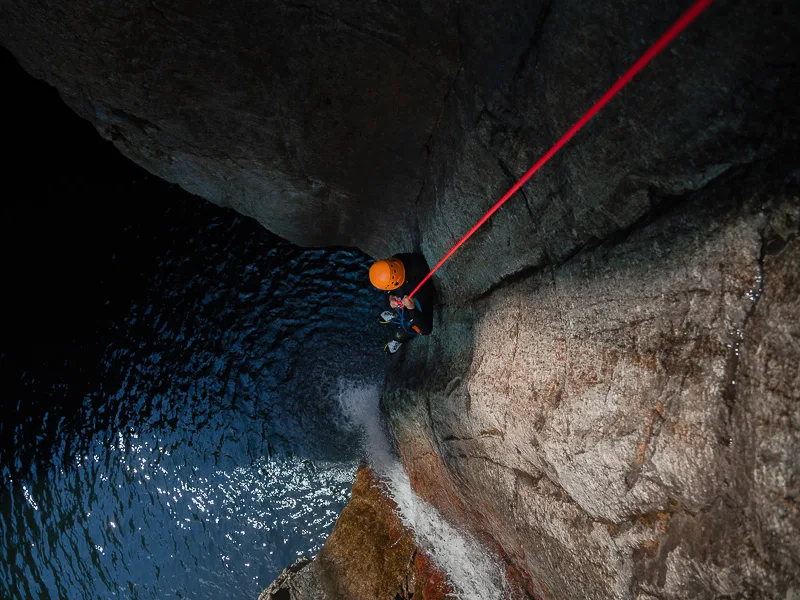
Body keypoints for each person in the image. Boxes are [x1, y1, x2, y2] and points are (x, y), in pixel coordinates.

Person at [369, 253, 435, 354]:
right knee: (391, 304)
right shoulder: (395, 263)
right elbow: (390, 288)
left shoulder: (420, 290)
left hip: (416, 302)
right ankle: (395, 312)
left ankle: (399, 338)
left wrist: (411, 308)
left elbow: (426, 330)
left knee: (402, 331)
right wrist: (390, 296)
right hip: (406, 290)